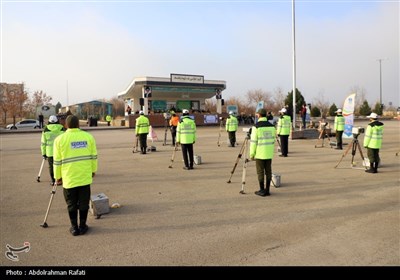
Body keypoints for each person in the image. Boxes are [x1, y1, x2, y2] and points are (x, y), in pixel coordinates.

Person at [53, 115, 98, 236]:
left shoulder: (59, 140)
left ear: (65, 125)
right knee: (84, 203)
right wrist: (93, 170)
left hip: (69, 178)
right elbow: (94, 156)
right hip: (84, 177)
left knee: (71, 204)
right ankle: (83, 226)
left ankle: (74, 227)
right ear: (78, 124)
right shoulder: (88, 137)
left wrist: (57, 177)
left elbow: (57, 161)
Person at [249, 108, 276, 197]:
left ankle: (261, 190)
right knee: (268, 171)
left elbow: (253, 142)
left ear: (259, 115)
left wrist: (252, 154)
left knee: (260, 172)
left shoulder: (256, 127)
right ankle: (267, 190)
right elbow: (273, 140)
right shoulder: (272, 126)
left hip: (260, 153)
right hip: (269, 153)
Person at [41, 115, 65, 186]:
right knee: (61, 165)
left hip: (50, 152)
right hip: (60, 151)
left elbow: (43, 143)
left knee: (51, 167)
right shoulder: (62, 128)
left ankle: (53, 180)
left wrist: (43, 153)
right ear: (57, 120)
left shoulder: (45, 129)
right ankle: (60, 179)